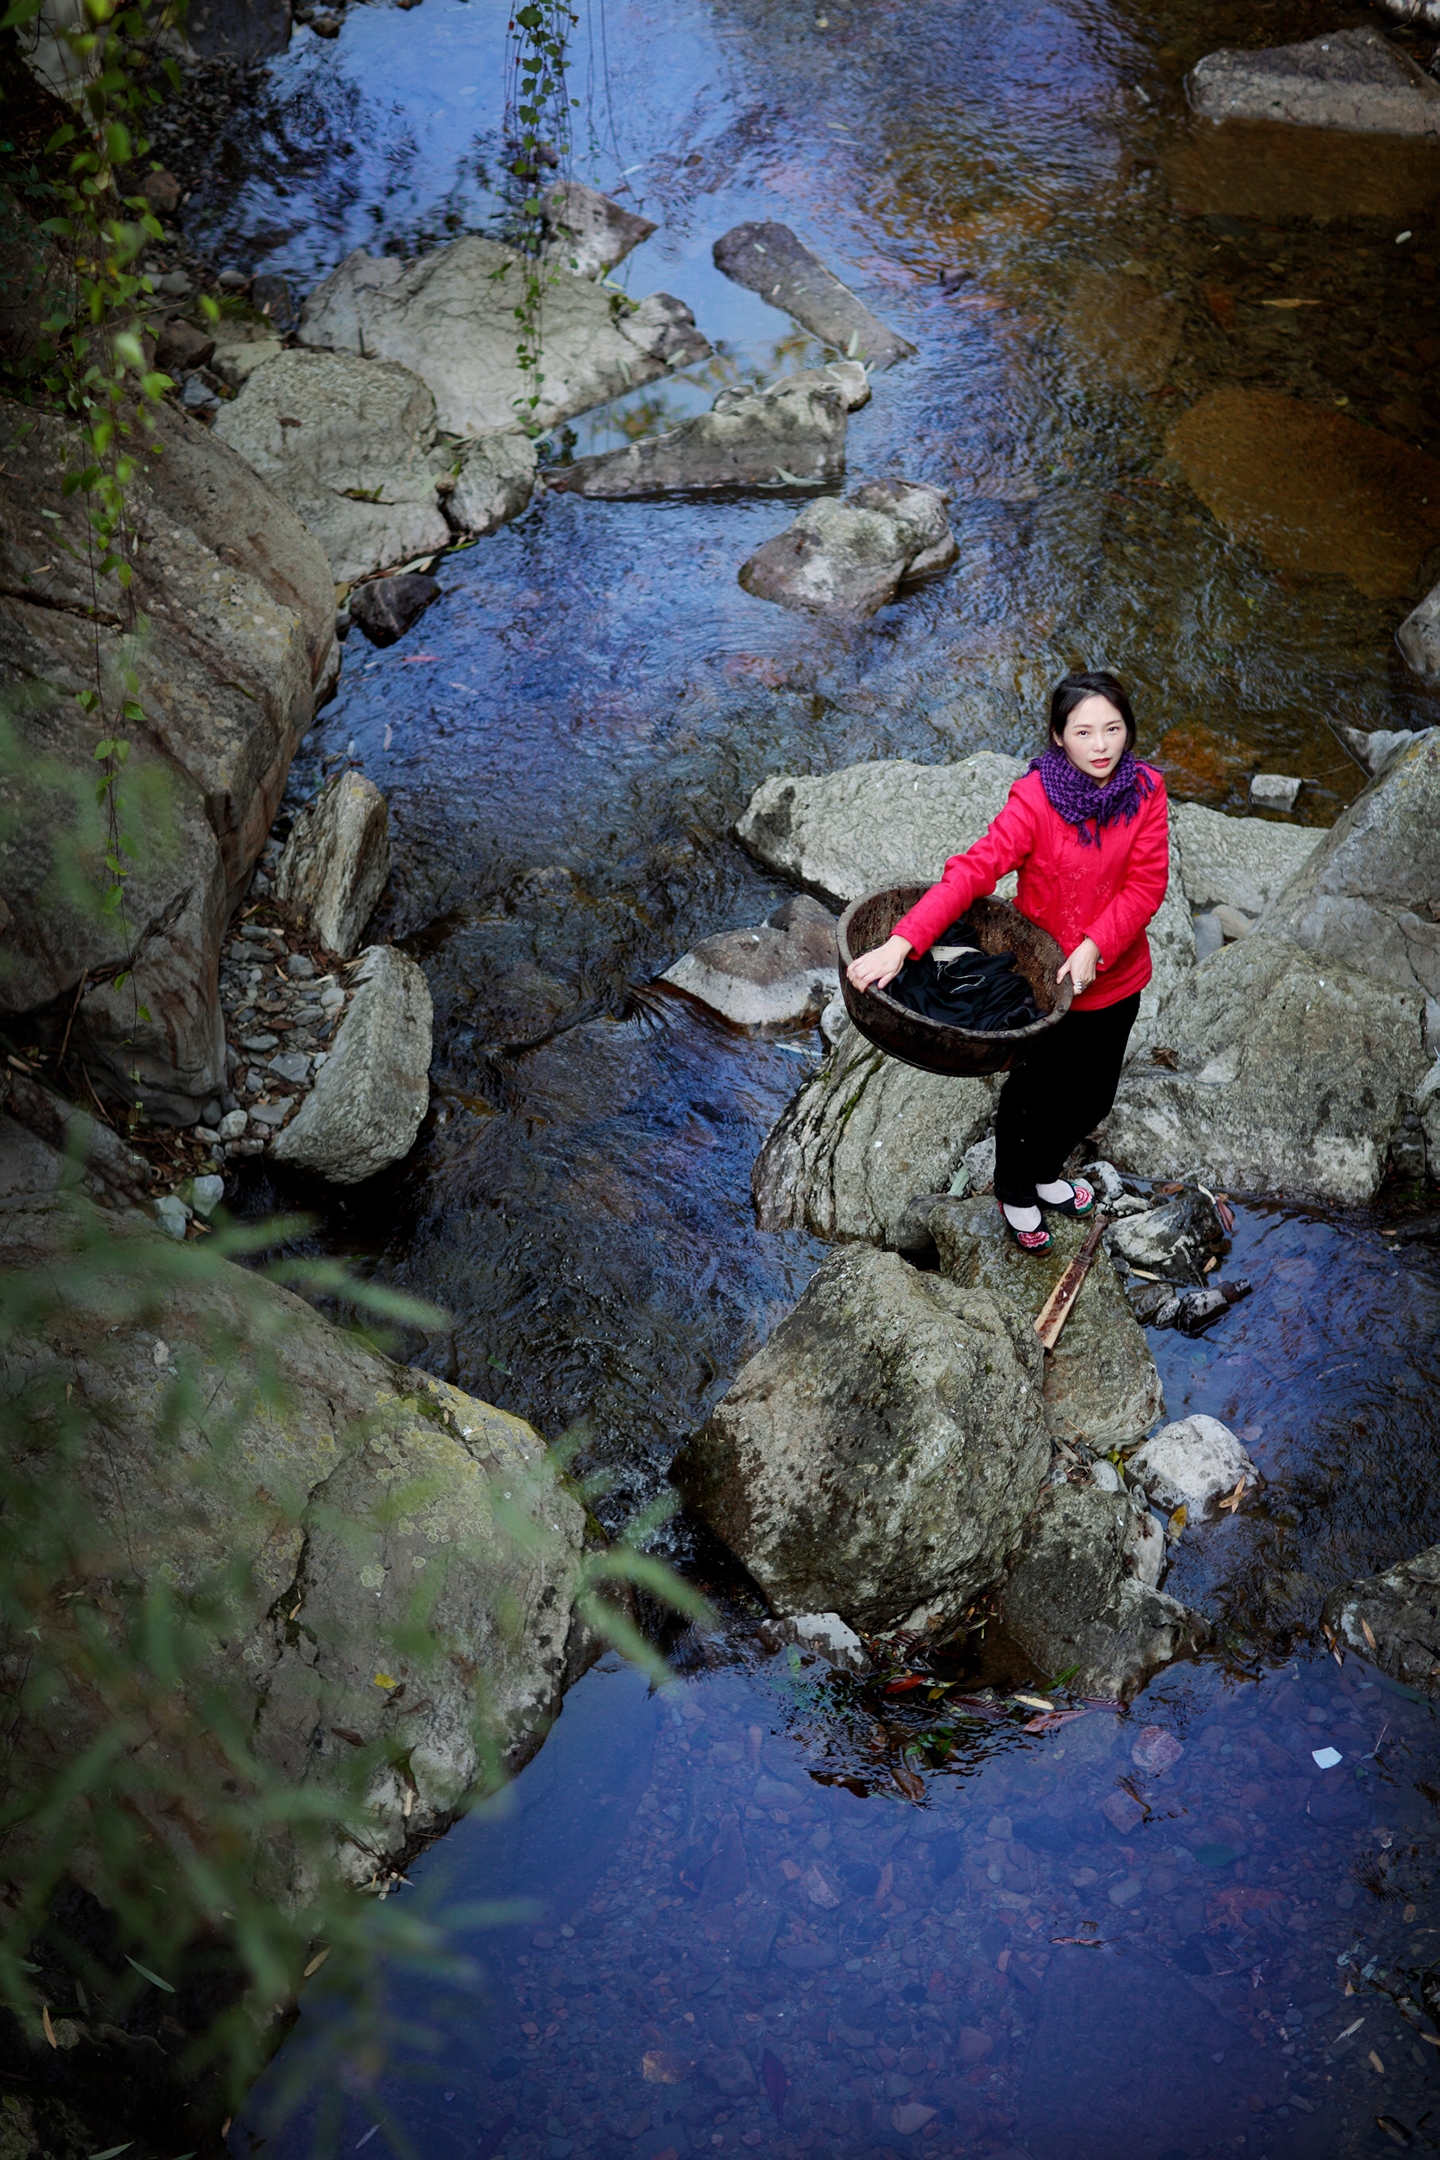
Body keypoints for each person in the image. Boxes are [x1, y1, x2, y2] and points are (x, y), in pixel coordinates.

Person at [846, 670, 1169, 1254]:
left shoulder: (1146, 790)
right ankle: (1016, 1190)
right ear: (1058, 736)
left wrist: (1096, 944)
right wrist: (901, 942)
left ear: (1129, 731)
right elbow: (972, 871)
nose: (1101, 746)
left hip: (1114, 976)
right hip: (1044, 984)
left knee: (1093, 1098)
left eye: (1113, 729)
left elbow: (1146, 885)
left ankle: (1045, 1172)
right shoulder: (1035, 799)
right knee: (1035, 1094)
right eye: (1084, 732)